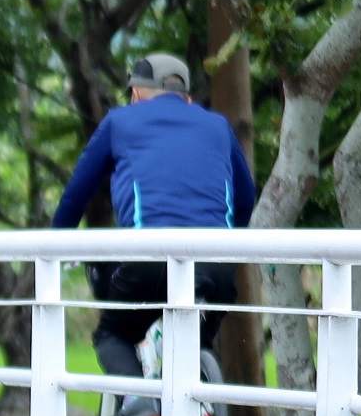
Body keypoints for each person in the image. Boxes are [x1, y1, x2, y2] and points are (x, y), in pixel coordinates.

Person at [51, 50, 256, 392]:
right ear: (187, 98)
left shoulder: (119, 122)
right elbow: (246, 197)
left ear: (135, 94)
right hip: (218, 267)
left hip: (149, 260)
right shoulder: (218, 125)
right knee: (195, 345)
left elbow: (76, 195)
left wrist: (58, 241)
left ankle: (139, 403)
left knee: (112, 334)